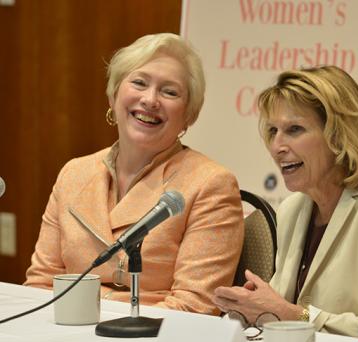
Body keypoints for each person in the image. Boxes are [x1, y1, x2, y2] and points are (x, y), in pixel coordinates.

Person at [213, 66, 358, 342]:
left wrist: (292, 315)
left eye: (294, 129)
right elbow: (284, 309)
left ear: (339, 135)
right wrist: (253, 307)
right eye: (273, 131)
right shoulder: (294, 209)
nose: (277, 146)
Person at [24, 33, 244, 315]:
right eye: (139, 83)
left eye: (170, 92)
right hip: (66, 335)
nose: (150, 100)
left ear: (189, 114)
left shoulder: (211, 184)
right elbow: (40, 285)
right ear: (114, 95)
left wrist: (90, 306)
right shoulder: (74, 173)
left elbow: (195, 307)